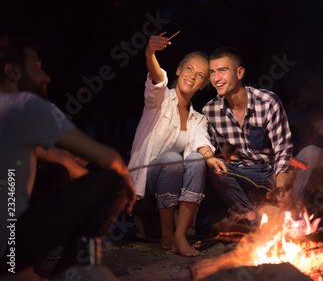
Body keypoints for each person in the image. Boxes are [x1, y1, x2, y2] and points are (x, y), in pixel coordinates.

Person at [0, 36, 136, 277]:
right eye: (36, 68)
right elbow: (106, 157)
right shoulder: (24, 104)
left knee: (56, 173)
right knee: (111, 181)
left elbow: (48, 152)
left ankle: (29, 265)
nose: (46, 77)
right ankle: (75, 265)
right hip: (8, 247)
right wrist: (124, 180)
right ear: (11, 72)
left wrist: (82, 184)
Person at [202, 46, 323, 225]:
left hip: (272, 172)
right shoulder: (210, 110)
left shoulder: (268, 101)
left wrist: (283, 187)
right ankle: (256, 220)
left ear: (239, 73)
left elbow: (282, 150)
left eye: (222, 71)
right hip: (243, 176)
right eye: (212, 72)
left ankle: (290, 216)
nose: (216, 78)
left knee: (313, 153)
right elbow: (209, 148)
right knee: (215, 169)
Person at [128, 32, 225, 257]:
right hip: (146, 195)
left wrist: (210, 157)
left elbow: (201, 140)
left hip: (175, 197)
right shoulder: (159, 101)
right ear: (179, 70)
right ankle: (167, 235)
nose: (193, 76)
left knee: (197, 157)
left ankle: (180, 235)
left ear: (202, 85)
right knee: (173, 159)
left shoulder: (198, 118)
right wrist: (150, 52)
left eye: (200, 75)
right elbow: (157, 80)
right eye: (189, 69)